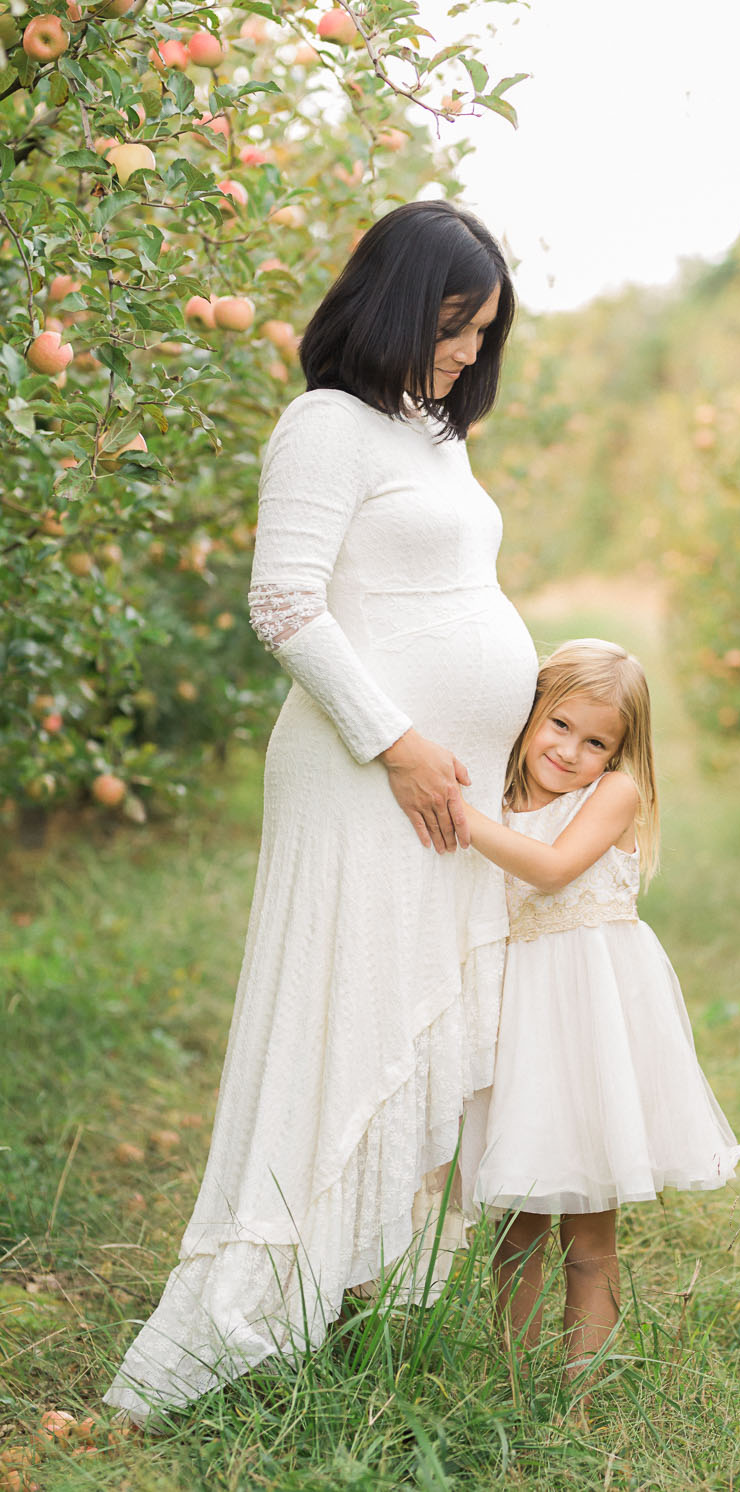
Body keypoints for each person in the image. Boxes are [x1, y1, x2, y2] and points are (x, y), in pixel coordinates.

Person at [107, 200, 538, 1421]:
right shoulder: (325, 426)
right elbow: (287, 605)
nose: (466, 356)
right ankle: (258, 1304)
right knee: (346, 1014)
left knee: (418, 1008)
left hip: (444, 784)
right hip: (363, 774)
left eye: (484, 335)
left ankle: (368, 1292)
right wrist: (397, 743)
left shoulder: (432, 438)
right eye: (456, 327)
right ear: (400, 300)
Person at [457, 639, 740, 1390]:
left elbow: (550, 871)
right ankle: (514, 1386)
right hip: (521, 1023)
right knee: (518, 1222)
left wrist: (459, 815)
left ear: (620, 752)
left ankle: (581, 1390)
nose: (571, 751)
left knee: (590, 1229)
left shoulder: (612, 795)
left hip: (592, 1022)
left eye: (596, 741)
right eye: (558, 726)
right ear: (528, 715)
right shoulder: (497, 791)